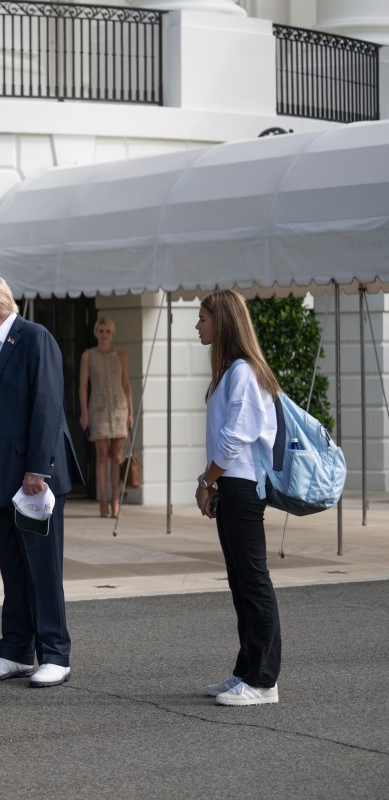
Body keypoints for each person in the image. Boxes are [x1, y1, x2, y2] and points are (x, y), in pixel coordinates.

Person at [0, 276, 83, 689]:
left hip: (30, 480)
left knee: (43, 569)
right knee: (13, 569)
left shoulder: (34, 337)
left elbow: (47, 403)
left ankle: (55, 655)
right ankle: (14, 651)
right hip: (0, 478)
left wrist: (38, 469)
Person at [195, 289, 282, 707]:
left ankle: (264, 681)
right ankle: (246, 671)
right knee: (240, 583)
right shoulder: (231, 372)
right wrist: (214, 485)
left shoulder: (244, 372)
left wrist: (206, 481)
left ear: (223, 323)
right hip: (232, 485)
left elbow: (235, 438)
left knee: (253, 582)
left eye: (203, 319)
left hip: (242, 485)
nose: (198, 326)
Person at [78, 317, 134, 518]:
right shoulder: (88, 355)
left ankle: (116, 500)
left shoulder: (121, 355)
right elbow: (83, 386)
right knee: (102, 455)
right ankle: (103, 500)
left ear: (112, 333)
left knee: (116, 457)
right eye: (101, 331)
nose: (104, 335)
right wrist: (84, 412)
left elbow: (126, 384)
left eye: (107, 331)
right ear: (96, 333)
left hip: (119, 407)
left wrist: (131, 412)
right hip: (98, 408)